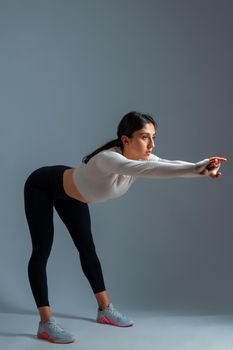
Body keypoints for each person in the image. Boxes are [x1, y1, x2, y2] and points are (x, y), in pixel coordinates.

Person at [23, 111, 227, 344]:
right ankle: (45, 323)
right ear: (125, 140)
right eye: (144, 137)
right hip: (43, 185)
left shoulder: (142, 159)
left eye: (153, 137)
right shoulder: (107, 159)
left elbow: (167, 164)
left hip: (73, 194)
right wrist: (196, 168)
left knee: (87, 248)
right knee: (42, 251)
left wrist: (201, 169)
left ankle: (104, 310)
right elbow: (153, 171)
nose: (151, 144)